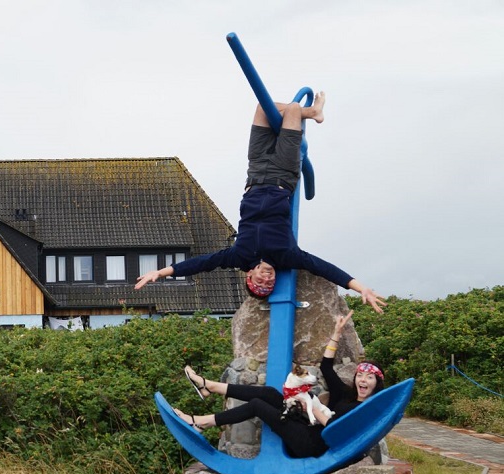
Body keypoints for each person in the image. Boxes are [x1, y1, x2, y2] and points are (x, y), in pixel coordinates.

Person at [134, 93, 386, 314]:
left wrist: (160, 272)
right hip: (282, 174)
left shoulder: (238, 256)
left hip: (255, 173)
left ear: (249, 275)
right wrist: (360, 287)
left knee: (262, 108)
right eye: (269, 284)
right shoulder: (287, 255)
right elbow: (324, 268)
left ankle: (313, 113)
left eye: (260, 282)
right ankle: (309, 113)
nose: (267, 278)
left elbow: (201, 263)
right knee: (294, 109)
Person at [173, 310, 385, 459]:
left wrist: (311, 406)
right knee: (269, 393)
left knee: (258, 405)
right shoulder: (345, 395)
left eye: (369, 378)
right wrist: (337, 334)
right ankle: (210, 386)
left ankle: (201, 422)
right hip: (305, 429)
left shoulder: (366, 411)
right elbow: (327, 367)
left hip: (312, 445)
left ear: (377, 383)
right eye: (360, 375)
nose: (363, 380)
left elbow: (335, 431)